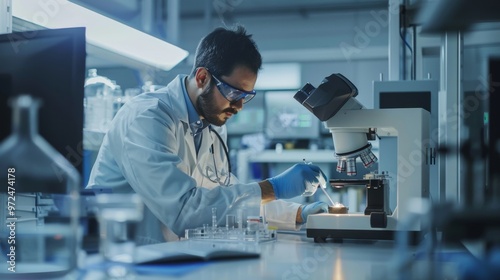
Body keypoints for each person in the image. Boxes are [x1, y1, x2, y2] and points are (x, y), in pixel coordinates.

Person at [86, 25, 329, 244]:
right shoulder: (147, 118)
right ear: (202, 78)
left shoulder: (211, 124)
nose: (240, 106)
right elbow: (186, 212)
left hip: (172, 258)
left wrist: (297, 213)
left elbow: (224, 202)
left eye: (246, 96)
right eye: (235, 93)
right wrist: (272, 187)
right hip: (127, 259)